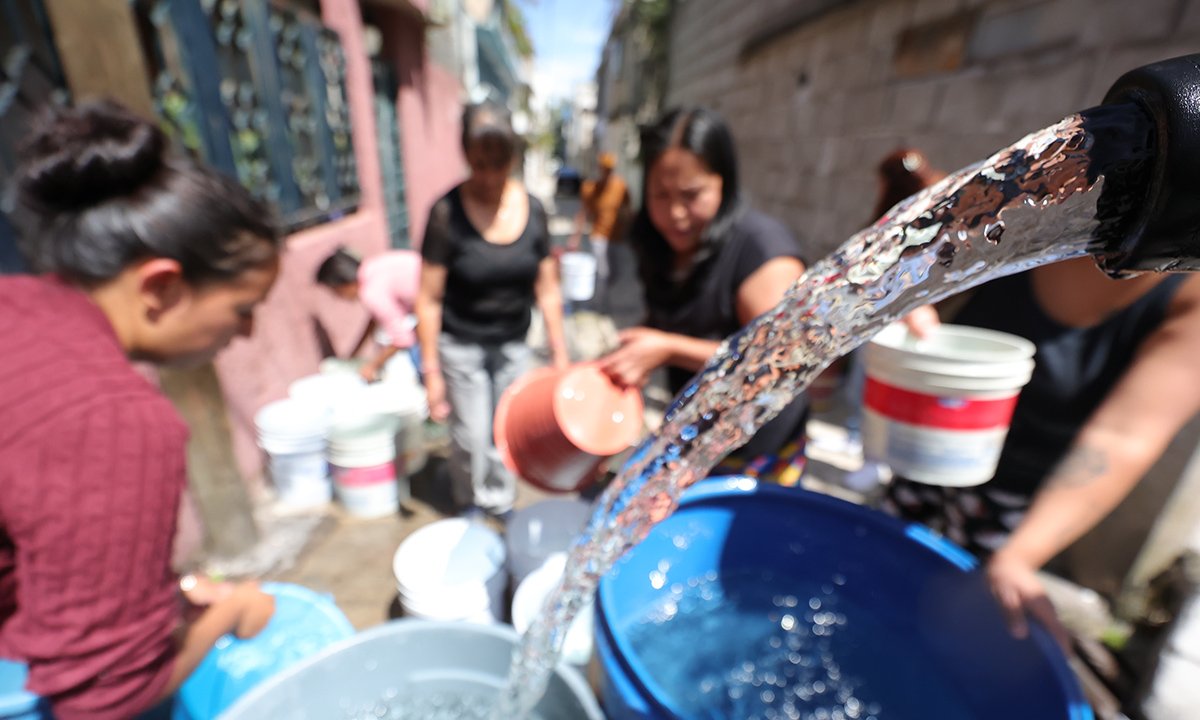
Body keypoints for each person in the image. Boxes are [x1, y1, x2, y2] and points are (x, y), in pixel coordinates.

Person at [0, 100, 278, 718]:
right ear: (161, 288)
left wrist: (170, 597)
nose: (249, 332)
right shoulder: (110, 419)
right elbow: (99, 699)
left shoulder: (13, 305)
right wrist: (229, 610)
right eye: (242, 308)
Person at [882, 258, 1200, 648]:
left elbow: (1123, 438)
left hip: (1017, 504)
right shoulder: (1025, 214)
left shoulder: (1188, 294)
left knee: (951, 625)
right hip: (926, 452)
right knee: (880, 573)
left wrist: (1019, 556)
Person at [599, 106, 810, 485]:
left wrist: (668, 348)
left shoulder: (761, 251)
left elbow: (782, 359)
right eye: (660, 195)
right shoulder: (660, 244)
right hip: (696, 435)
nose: (676, 213)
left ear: (723, 182)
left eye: (692, 194)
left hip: (758, 449)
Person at [415, 102, 569, 518]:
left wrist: (560, 354)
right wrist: (430, 374)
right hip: (460, 343)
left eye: (497, 165)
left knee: (505, 431)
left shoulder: (534, 210)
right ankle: (469, 501)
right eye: (478, 164)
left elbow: (548, 288)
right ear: (465, 155)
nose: (487, 176)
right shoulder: (446, 213)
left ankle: (500, 501)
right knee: (469, 434)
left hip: (514, 343)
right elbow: (428, 299)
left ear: (512, 159)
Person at [316, 246, 422, 382]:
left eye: (335, 292)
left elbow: (403, 339)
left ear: (342, 284)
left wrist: (373, 366)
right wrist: (353, 355)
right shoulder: (373, 268)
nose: (338, 297)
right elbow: (374, 321)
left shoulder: (371, 291)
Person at [568, 151, 631, 310]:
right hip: (599, 236)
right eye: (604, 169)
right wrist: (575, 237)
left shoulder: (620, 186)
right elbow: (582, 213)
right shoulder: (591, 188)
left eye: (610, 169)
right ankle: (601, 304)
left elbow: (628, 210)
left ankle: (606, 299)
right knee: (603, 272)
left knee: (616, 271)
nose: (607, 172)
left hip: (617, 236)